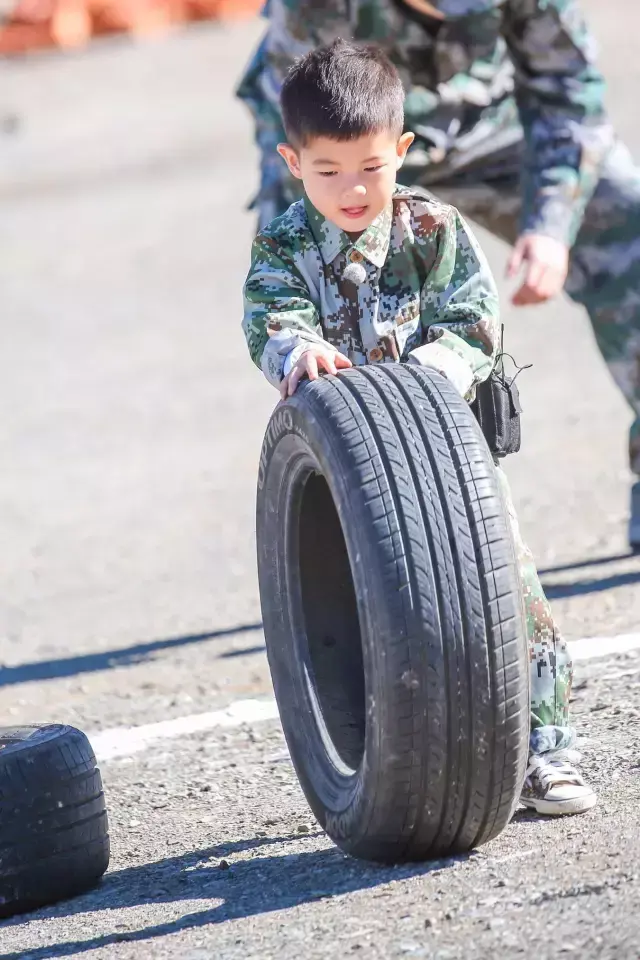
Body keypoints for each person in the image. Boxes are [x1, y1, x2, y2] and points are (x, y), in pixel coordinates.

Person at [242, 39, 597, 815]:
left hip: (448, 460)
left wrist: (434, 371)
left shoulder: (432, 230)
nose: (353, 189)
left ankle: (546, 751)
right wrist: (298, 351)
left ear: (401, 150)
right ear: (293, 163)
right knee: (373, 613)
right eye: (328, 171)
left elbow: (476, 322)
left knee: (512, 590)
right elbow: (272, 316)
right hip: (347, 476)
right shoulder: (284, 243)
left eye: (371, 167)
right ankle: (393, 758)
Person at [237, 0, 640, 551]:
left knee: (630, 226)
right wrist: (299, 320)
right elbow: (303, 122)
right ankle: (353, 539)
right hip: (353, 155)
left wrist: (551, 224)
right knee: (322, 322)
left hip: (492, 129)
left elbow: (568, 93)